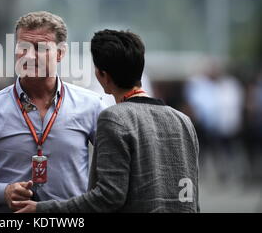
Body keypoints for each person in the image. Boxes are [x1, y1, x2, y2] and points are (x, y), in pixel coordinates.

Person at [14, 29, 200, 213]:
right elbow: (191, 196)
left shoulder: (115, 118)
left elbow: (108, 196)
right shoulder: (183, 121)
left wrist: (43, 209)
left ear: (101, 75)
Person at [0, 11, 107, 212]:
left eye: (40, 48)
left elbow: (114, 176)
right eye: (23, 47)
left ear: (61, 53)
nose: (29, 56)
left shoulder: (90, 106)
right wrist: (3, 192)